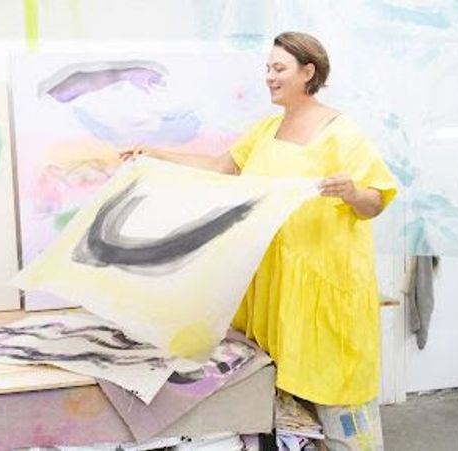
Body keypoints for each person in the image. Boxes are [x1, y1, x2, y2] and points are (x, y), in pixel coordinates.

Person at [120, 31, 397, 451]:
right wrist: (156, 155)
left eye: (279, 68)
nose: (269, 76)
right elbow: (220, 167)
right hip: (276, 286)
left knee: (338, 398)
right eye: (267, 68)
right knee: (287, 407)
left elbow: (374, 202)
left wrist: (352, 193)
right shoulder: (267, 130)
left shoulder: (341, 133)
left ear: (308, 72)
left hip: (325, 288)